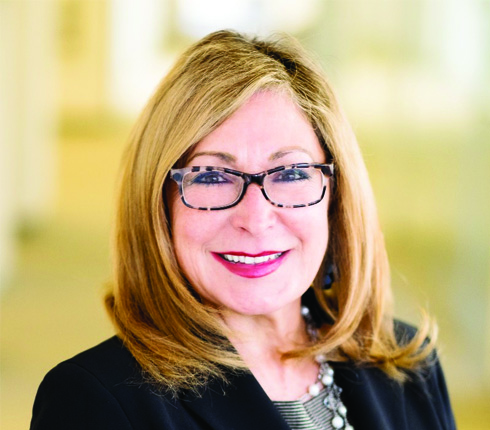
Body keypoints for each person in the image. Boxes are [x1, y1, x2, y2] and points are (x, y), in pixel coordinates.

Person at [30, 30, 456, 430]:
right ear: (159, 203)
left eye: (290, 173)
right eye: (212, 177)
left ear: (336, 197)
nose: (256, 218)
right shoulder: (94, 401)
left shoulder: (408, 364)